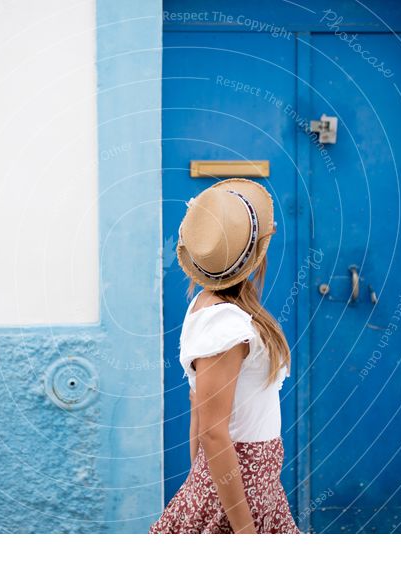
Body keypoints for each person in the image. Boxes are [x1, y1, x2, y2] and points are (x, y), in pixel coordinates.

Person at [150, 178, 299, 534]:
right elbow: (214, 432)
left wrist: (200, 480)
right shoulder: (226, 325)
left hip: (242, 487)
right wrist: (244, 532)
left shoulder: (211, 309)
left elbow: (197, 409)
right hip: (239, 493)